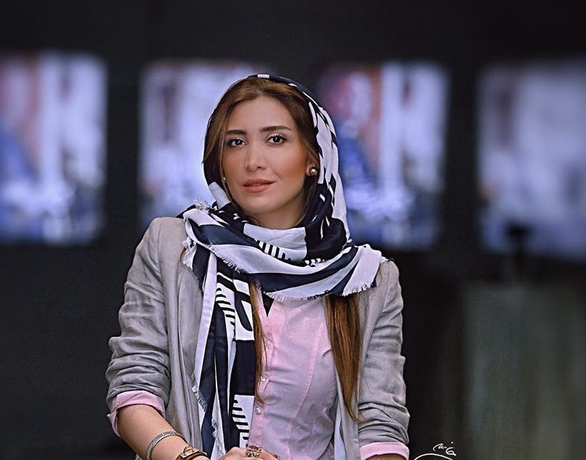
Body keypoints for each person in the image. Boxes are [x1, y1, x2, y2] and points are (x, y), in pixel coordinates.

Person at [105, 74, 410, 460]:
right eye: (235, 142)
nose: (252, 161)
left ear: (313, 158)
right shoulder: (173, 246)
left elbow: (380, 430)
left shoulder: (367, 279)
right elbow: (134, 389)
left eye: (276, 139)